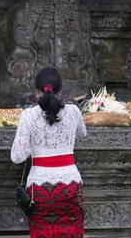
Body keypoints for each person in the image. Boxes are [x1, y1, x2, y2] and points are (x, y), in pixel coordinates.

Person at [11, 66, 87, 238]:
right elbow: (83, 134)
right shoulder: (74, 111)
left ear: (37, 91)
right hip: (71, 188)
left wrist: (32, 149)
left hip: (40, 191)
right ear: (61, 90)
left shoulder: (28, 116)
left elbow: (16, 156)